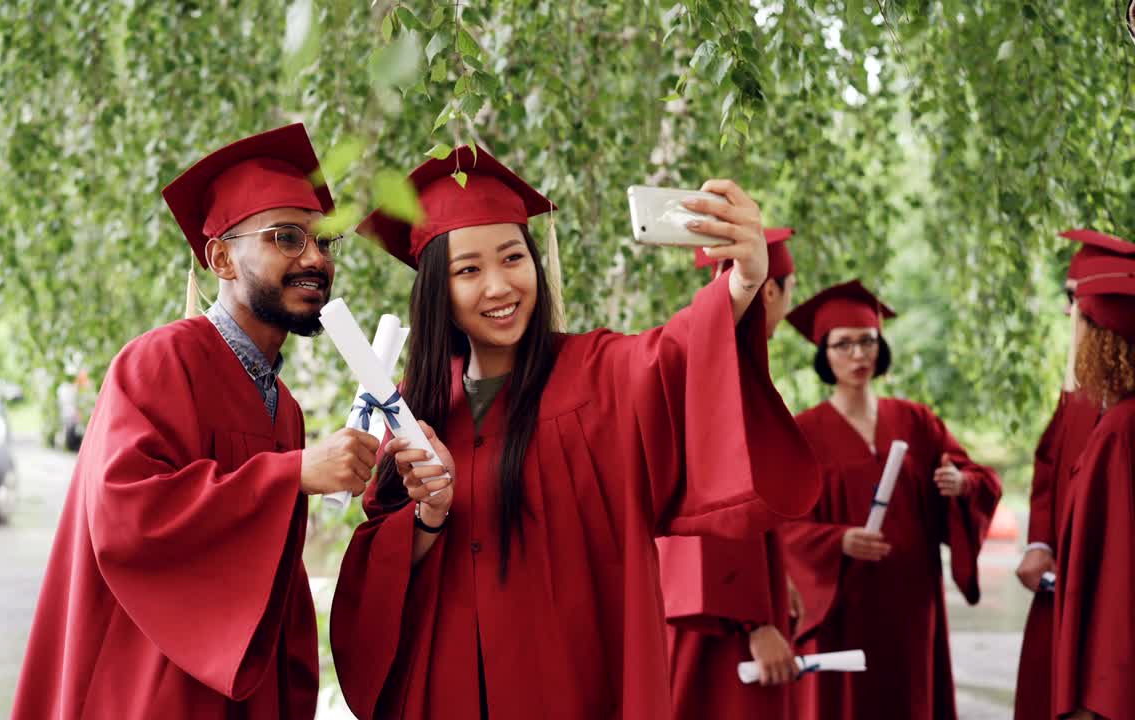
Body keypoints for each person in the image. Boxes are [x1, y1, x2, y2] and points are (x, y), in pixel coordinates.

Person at [330, 146, 820, 719]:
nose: (499, 286)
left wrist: (743, 283)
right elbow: (381, 572)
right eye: (469, 270)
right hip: (449, 690)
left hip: (571, 687)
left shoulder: (596, 375)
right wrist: (428, 515)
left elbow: (674, 356)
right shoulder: (415, 410)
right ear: (438, 288)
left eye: (513, 257)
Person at [11, 124, 379, 719]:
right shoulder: (159, 361)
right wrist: (290, 474)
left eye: (324, 242)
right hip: (148, 690)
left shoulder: (283, 407)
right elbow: (129, 515)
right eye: (287, 238)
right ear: (221, 258)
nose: (315, 258)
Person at [780, 280, 1002, 720]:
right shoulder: (802, 433)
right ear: (824, 353)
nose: (858, 355)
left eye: (868, 341)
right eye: (844, 344)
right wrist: (838, 541)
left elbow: (980, 479)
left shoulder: (916, 421)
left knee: (910, 696)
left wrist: (961, 484)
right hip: (844, 601)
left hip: (911, 598)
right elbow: (782, 524)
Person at [659, 227, 807, 719]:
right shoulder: (721, 374)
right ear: (770, 290)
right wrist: (753, 622)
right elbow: (716, 507)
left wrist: (777, 582)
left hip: (723, 604)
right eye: (791, 287)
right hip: (718, 620)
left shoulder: (719, 362)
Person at [1013, 229, 1134, 720]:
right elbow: (1048, 466)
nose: (1068, 313)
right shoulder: (1081, 399)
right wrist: (1040, 542)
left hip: (1102, 609)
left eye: (1075, 301)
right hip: (1067, 586)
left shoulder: (1119, 427)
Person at [1051, 245, 1135, 720]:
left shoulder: (1120, 430)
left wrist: (1096, 692)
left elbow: (1117, 575)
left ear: (1103, 341)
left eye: (1080, 321)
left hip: (1113, 677)